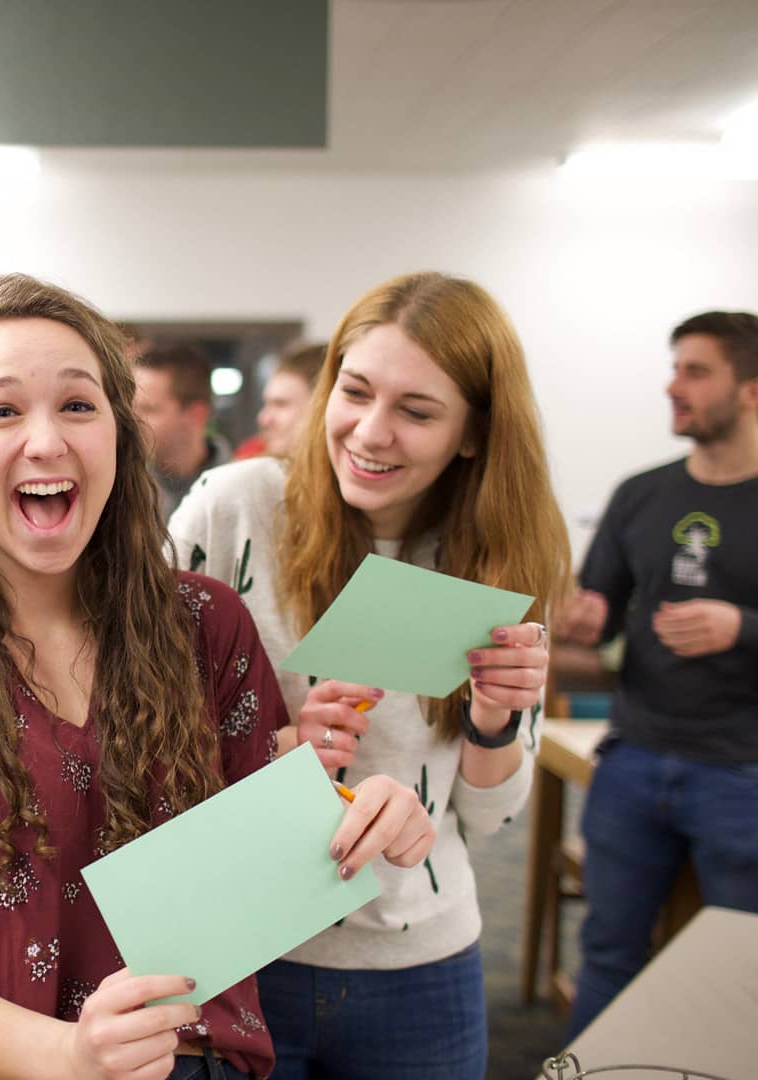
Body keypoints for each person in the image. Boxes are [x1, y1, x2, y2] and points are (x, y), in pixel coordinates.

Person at [0, 273, 435, 1080]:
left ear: (122, 440)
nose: (46, 441)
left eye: (78, 405)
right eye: (2, 410)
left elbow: (260, 858)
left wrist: (366, 813)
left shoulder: (207, 626)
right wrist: (65, 1053)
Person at [169, 271, 569, 1078]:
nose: (370, 432)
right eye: (355, 392)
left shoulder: (495, 561)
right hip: (240, 946)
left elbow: (488, 815)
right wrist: (272, 747)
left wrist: (493, 719)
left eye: (416, 412)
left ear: (471, 434)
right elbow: (120, 721)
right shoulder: (235, 506)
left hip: (420, 965)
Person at [562, 311, 758, 1036]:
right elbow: (600, 621)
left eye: (696, 371)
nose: (672, 386)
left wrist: (745, 628)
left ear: (752, 388)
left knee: (750, 967)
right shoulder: (640, 493)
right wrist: (582, 619)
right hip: (632, 762)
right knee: (608, 953)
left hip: (747, 777)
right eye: (675, 367)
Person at [134, 341, 232, 521]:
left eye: (148, 409)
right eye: (131, 408)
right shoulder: (124, 489)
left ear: (196, 414)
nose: (132, 421)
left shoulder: (238, 491)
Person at [235, 343, 328, 460]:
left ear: (324, 407)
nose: (263, 419)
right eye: (266, 404)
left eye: (281, 404)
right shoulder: (248, 467)